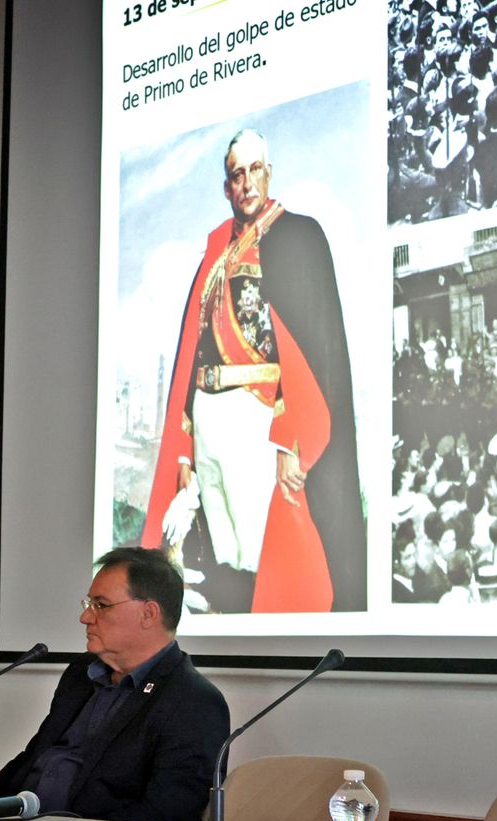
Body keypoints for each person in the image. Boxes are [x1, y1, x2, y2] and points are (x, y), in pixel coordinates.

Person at [141, 129, 365, 614]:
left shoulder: (296, 235)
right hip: (207, 415)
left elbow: (309, 351)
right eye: (236, 174)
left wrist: (291, 436)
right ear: (227, 186)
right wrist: (184, 449)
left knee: (258, 553)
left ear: (269, 172)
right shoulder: (215, 252)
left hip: (256, 414)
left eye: (255, 170)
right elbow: (193, 354)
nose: (246, 182)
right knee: (223, 554)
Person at [0, 548, 229, 821]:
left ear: (148, 614)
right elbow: (33, 758)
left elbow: (167, 815)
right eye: (88, 603)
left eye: (101, 605)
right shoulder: (81, 674)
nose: (85, 617)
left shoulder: (194, 701)